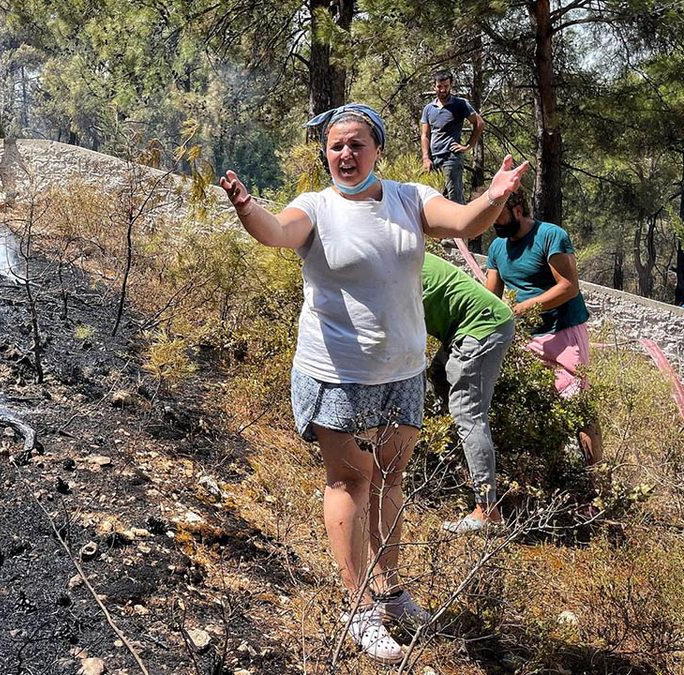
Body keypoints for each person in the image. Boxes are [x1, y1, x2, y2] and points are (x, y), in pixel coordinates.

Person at [219, 103, 528, 664]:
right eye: (336, 145)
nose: (346, 153)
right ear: (326, 153)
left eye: (357, 143)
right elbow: (277, 232)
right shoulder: (314, 206)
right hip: (336, 373)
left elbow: (463, 222)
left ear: (378, 149)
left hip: (401, 372)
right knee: (350, 484)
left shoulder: (409, 198)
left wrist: (494, 195)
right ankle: (358, 606)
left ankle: (388, 589)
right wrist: (247, 206)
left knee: (389, 479)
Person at [484, 188, 604, 465]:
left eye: (498, 216)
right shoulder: (496, 248)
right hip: (526, 339)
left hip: (564, 332)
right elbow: (491, 297)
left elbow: (569, 287)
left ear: (517, 209)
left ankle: (595, 478)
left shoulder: (551, 235)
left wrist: (523, 309)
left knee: (577, 407)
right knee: (533, 402)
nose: (494, 223)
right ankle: (547, 469)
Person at [422, 253, 515, 534]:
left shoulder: (395, 268)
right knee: (437, 375)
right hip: (468, 327)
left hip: (482, 328)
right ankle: (443, 456)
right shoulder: (398, 255)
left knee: (469, 414)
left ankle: (488, 512)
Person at [420, 70, 484, 203]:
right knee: (433, 198)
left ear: (451, 86)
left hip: (451, 158)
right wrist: (426, 157)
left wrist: (468, 146)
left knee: (454, 198)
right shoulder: (428, 108)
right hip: (434, 159)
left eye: (446, 86)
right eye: (439, 86)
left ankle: (460, 223)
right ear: (434, 86)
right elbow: (425, 135)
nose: (443, 90)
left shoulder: (460, 104)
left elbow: (479, 123)